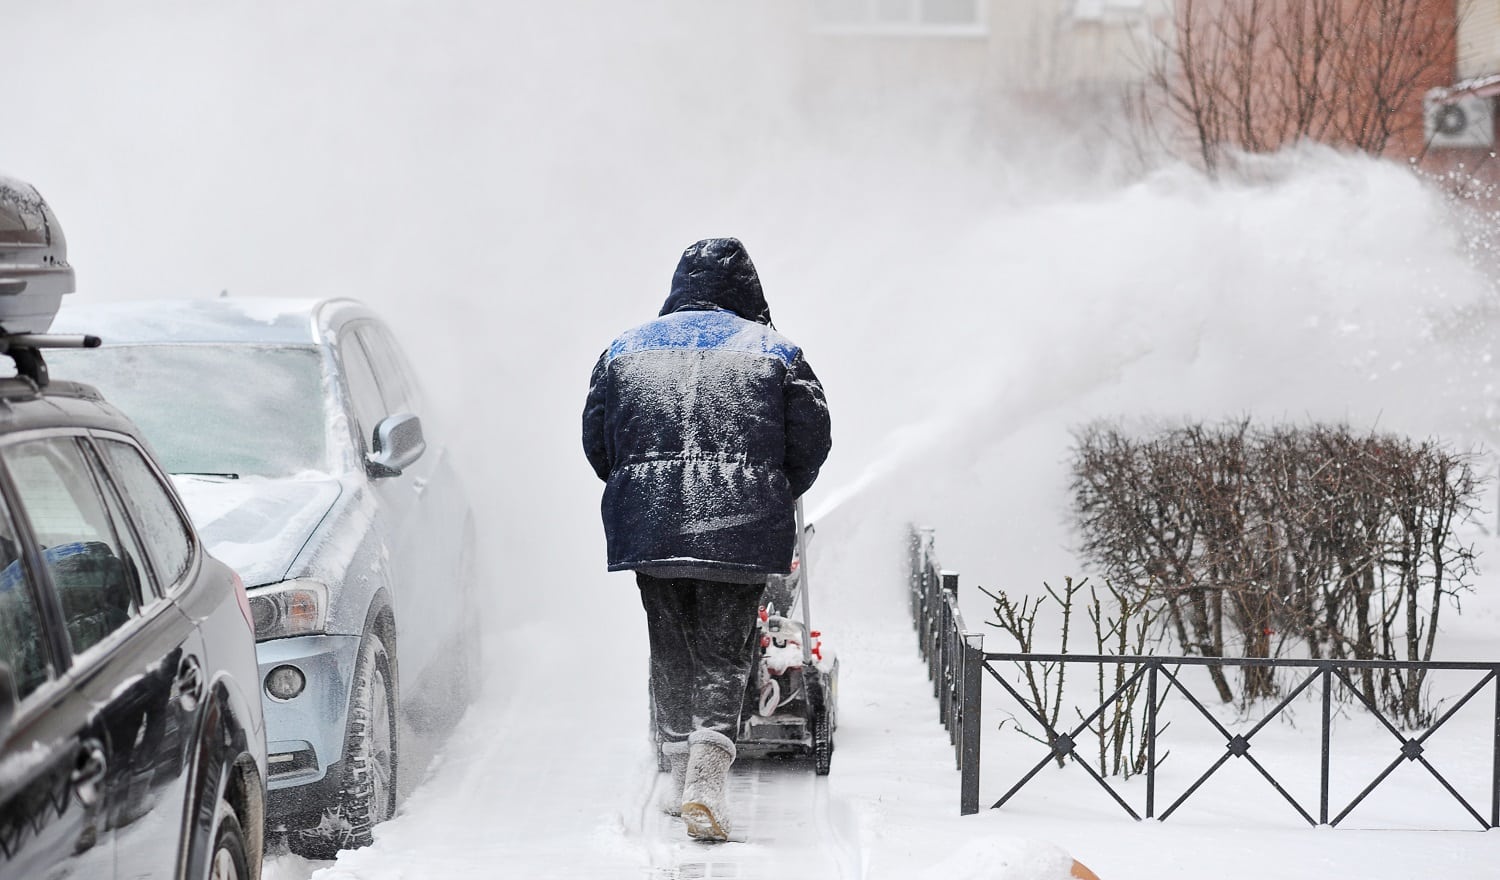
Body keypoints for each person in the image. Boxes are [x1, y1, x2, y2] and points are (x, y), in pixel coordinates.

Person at [582, 237, 832, 842]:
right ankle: (706, 786)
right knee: (724, 654)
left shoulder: (623, 350)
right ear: (748, 291)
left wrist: (640, 486)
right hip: (739, 530)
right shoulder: (777, 354)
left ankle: (675, 777)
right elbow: (812, 439)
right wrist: (772, 491)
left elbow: (597, 439)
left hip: (652, 525)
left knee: (670, 648)